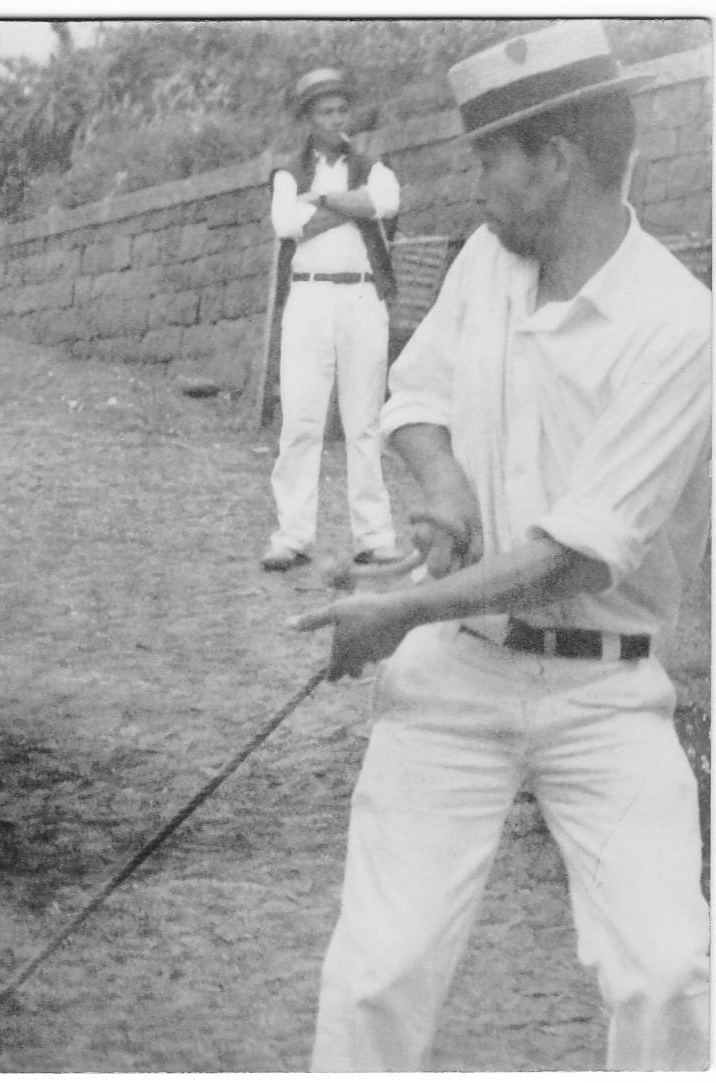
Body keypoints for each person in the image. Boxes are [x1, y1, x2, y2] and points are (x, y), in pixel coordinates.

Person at [293, 22, 710, 1070]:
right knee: (374, 978)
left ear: (554, 160)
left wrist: (393, 612)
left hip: (604, 697)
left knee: (663, 975)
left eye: (489, 158)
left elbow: (578, 552)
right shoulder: (488, 259)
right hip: (457, 677)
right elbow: (415, 393)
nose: (476, 185)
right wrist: (442, 487)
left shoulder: (677, 323)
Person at [261, 67, 404, 572]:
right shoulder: (287, 171)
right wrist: (352, 207)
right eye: (325, 112)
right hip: (309, 301)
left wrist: (321, 201)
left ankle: (375, 536)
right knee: (301, 421)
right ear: (308, 118)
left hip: (363, 299)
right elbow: (286, 225)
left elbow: (385, 202)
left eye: (342, 110)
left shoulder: (373, 165)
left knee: (364, 422)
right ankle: (292, 536)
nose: (336, 120)